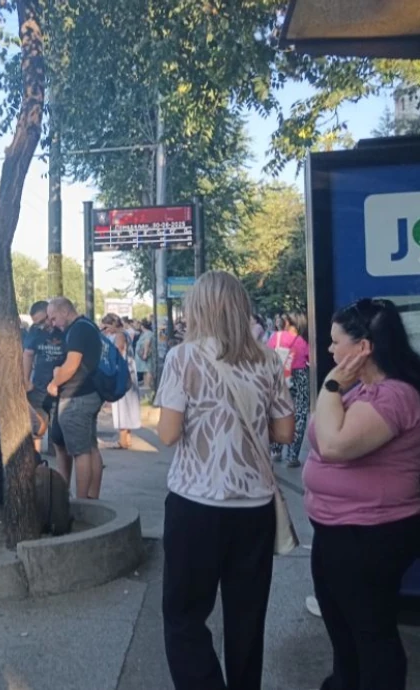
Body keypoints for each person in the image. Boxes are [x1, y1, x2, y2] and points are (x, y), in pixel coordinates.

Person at [155, 270, 295, 690]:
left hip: (195, 505)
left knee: (184, 616)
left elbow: (167, 434)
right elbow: (286, 432)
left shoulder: (183, 358)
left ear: (197, 309)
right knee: (247, 618)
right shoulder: (268, 359)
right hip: (253, 508)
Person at [305, 298, 420, 690]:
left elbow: (334, 445)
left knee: (370, 632)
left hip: (371, 534)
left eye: (336, 342)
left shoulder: (394, 395)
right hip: (338, 531)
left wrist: (331, 385)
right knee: (342, 626)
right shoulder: (360, 391)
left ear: (363, 347)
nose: (330, 350)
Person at [46, 297, 105, 499]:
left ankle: (81, 503)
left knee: (80, 453)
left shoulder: (78, 330)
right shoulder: (88, 325)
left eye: (54, 318)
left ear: (65, 311)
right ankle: (92, 497)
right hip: (90, 393)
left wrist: (55, 382)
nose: (53, 323)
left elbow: (71, 366)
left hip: (76, 396)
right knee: (90, 448)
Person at [269, 312, 311, 468]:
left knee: (276, 409)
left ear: (287, 322)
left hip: (279, 376)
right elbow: (310, 359)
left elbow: (267, 355)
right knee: (299, 412)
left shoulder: (275, 338)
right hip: (299, 376)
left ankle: (276, 450)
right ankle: (292, 456)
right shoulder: (301, 341)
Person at [100, 314, 141, 450]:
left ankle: (123, 440)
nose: (105, 330)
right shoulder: (125, 333)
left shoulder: (119, 335)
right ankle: (126, 438)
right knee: (128, 405)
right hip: (129, 370)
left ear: (112, 324)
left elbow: (118, 350)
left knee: (122, 405)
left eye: (106, 326)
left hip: (122, 372)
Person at [23, 300, 66, 422]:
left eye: (43, 320)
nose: (43, 325)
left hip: (61, 387)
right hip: (40, 386)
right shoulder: (35, 330)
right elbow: (28, 354)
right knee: (36, 425)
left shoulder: (63, 328)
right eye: (38, 324)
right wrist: (26, 380)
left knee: (56, 430)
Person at [134, 319, 154, 386]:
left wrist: (145, 354)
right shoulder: (144, 333)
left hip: (145, 355)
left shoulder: (148, 333)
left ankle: (148, 385)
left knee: (148, 370)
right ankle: (146, 385)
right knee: (145, 370)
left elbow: (147, 343)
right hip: (142, 355)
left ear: (142, 326)